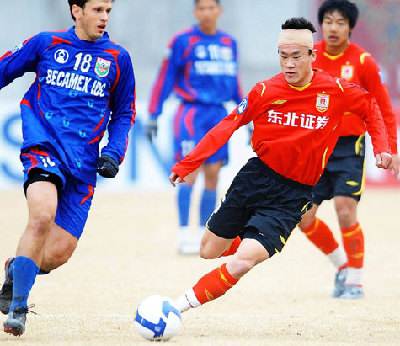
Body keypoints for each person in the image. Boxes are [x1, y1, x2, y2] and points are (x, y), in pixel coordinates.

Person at [167, 17, 392, 316]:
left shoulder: (335, 90)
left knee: (243, 261)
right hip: (255, 178)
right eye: (283, 56)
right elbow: (226, 126)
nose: (288, 63)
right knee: (208, 251)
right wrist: (187, 164)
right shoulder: (264, 91)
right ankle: (250, 233)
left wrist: (383, 148)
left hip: (293, 195)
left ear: (312, 56)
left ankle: (173, 309)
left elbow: (371, 107)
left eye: (296, 56)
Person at [0, 0, 136, 336]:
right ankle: (18, 309)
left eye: (108, 11)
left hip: (84, 162)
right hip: (44, 146)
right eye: (97, 10)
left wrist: (113, 152)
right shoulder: (46, 43)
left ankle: (16, 271)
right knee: (42, 215)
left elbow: (123, 113)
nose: (104, 18)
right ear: (76, 10)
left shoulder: (118, 59)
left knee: (59, 252)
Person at [297, 0, 399, 300]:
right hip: (315, 147)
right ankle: (341, 264)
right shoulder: (309, 56)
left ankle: (355, 280)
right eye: (328, 21)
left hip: (348, 147)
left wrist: (389, 148)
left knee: (345, 210)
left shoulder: (363, 61)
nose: (333, 27)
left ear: (350, 27)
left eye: (340, 22)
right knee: (303, 217)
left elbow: (381, 106)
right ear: (321, 24)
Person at [147, 0, 242, 254]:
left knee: (213, 174)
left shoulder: (229, 43)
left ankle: (202, 233)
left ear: (219, 11)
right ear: (195, 12)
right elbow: (165, 77)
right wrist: (154, 113)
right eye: (202, 8)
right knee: (189, 171)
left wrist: (248, 116)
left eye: (212, 7)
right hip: (191, 113)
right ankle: (182, 235)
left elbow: (235, 83)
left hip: (219, 114)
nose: (207, 13)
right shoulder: (183, 41)